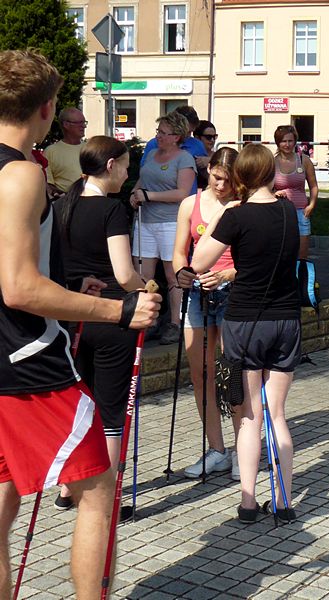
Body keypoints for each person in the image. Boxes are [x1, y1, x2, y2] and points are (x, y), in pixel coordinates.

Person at [0, 50, 160, 599]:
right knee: (96, 488)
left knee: (2, 502)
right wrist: (115, 308)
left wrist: (69, 288)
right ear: (47, 110)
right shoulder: (20, 171)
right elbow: (18, 287)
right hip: (27, 362)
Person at [191, 143, 300, 525]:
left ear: (240, 178)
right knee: (279, 414)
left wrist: (223, 212)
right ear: (271, 174)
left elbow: (198, 261)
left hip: (245, 322)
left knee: (251, 416)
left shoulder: (236, 217)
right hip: (286, 321)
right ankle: (284, 501)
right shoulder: (289, 210)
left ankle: (248, 502)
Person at [53, 136, 148, 516]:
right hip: (110, 315)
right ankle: (107, 496)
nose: (127, 174)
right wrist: (148, 288)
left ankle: (66, 487)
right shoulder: (112, 210)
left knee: (77, 403)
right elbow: (124, 274)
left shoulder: (61, 205)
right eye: (125, 166)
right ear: (110, 165)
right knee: (110, 411)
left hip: (69, 314)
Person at [173, 147, 238, 479]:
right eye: (216, 177)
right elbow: (178, 254)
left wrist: (228, 274)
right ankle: (217, 449)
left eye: (228, 179)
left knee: (235, 375)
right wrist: (181, 273)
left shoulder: (241, 205)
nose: (222, 185)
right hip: (198, 294)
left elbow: (254, 258)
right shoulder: (191, 204)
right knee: (200, 373)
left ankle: (245, 446)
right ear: (208, 169)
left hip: (232, 294)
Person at [130, 111, 196, 345]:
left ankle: (175, 323)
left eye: (164, 133)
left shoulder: (183, 159)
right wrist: (135, 193)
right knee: (144, 275)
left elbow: (182, 193)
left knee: (172, 275)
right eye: (158, 132)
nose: (159, 136)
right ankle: (151, 319)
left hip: (170, 222)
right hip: (145, 221)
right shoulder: (151, 155)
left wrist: (149, 196)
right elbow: (142, 180)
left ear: (177, 136)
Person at [273, 125, 319, 260]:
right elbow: (265, 187)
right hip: (280, 211)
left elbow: (314, 186)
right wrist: (274, 194)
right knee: (281, 252)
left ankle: (300, 280)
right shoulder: (271, 161)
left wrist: (311, 205)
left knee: (301, 255)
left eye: (290, 141)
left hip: (301, 211)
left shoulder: (303, 160)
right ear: (278, 142)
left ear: (295, 141)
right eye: (283, 141)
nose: (287, 144)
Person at [44, 107, 86, 193]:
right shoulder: (51, 152)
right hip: (66, 203)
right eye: (79, 122)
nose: (84, 126)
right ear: (66, 125)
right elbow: (48, 184)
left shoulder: (89, 148)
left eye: (84, 122)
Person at [193, 120, 217, 189]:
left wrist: (211, 161)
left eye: (214, 137)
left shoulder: (218, 155)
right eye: (208, 137)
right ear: (197, 138)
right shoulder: (190, 155)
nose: (212, 140)